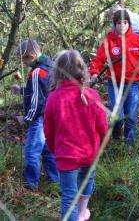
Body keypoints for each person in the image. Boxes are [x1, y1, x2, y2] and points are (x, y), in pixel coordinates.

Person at [43, 49, 108, 221]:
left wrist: (55, 150)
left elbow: (48, 132)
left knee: (69, 198)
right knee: (87, 184)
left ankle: (80, 214)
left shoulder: (53, 98)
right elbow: (103, 127)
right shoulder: (92, 95)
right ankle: (82, 213)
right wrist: (99, 148)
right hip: (89, 154)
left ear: (57, 72)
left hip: (66, 156)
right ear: (82, 70)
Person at [90, 10, 139, 152]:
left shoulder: (137, 40)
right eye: (119, 23)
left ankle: (129, 147)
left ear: (129, 23)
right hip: (115, 84)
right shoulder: (109, 41)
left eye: (125, 22)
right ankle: (116, 132)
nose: (122, 25)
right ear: (115, 25)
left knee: (131, 117)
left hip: (133, 84)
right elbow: (98, 59)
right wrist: (94, 73)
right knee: (118, 116)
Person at [11, 39, 59, 190]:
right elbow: (39, 92)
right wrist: (21, 90)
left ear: (31, 55)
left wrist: (26, 119)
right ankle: (55, 181)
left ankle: (31, 184)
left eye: (23, 58)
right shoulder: (50, 65)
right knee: (47, 150)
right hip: (50, 116)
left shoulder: (38, 71)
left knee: (31, 151)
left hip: (39, 118)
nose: (23, 63)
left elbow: (38, 101)